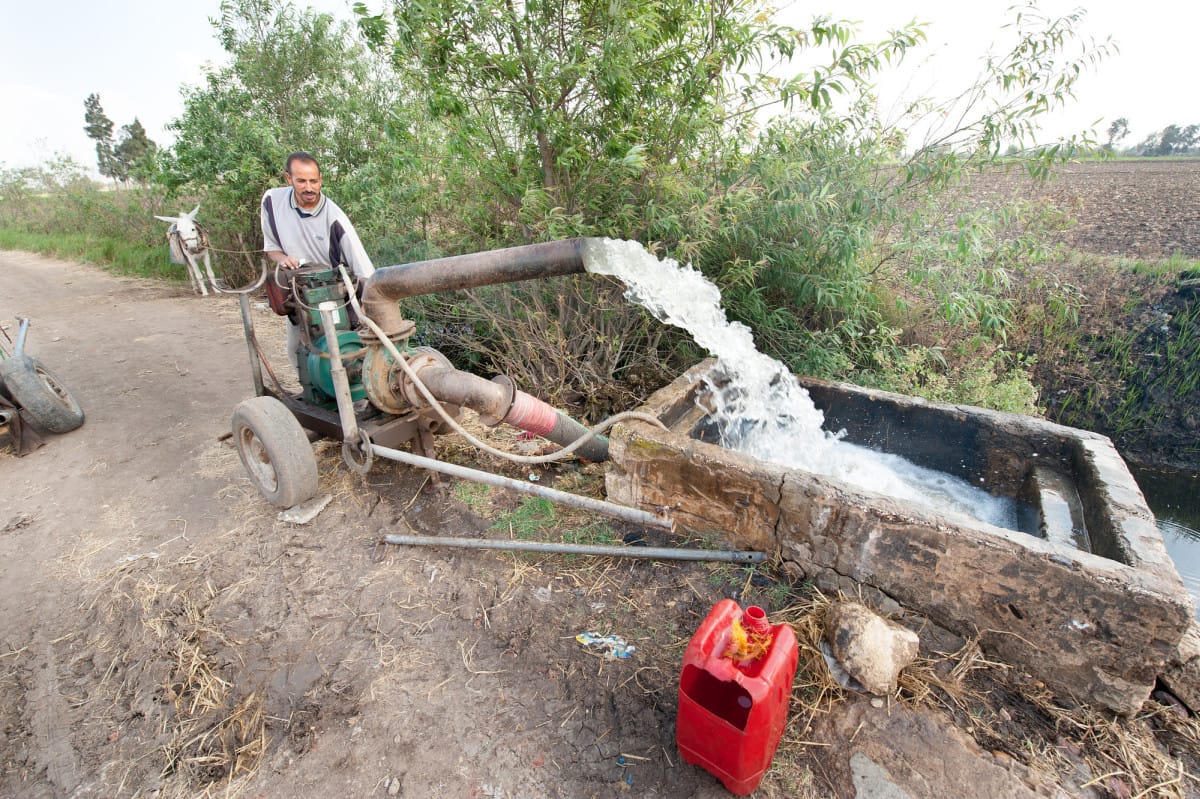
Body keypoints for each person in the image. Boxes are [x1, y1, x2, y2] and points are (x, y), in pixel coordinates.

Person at [260, 151, 376, 366]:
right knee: (297, 352)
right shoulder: (271, 202)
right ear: (289, 179)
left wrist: (366, 312)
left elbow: (365, 272)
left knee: (343, 353)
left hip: (335, 295)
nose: (309, 187)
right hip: (300, 293)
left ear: (321, 179)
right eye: (301, 181)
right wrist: (283, 259)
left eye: (314, 181)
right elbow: (271, 249)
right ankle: (311, 394)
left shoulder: (336, 219)